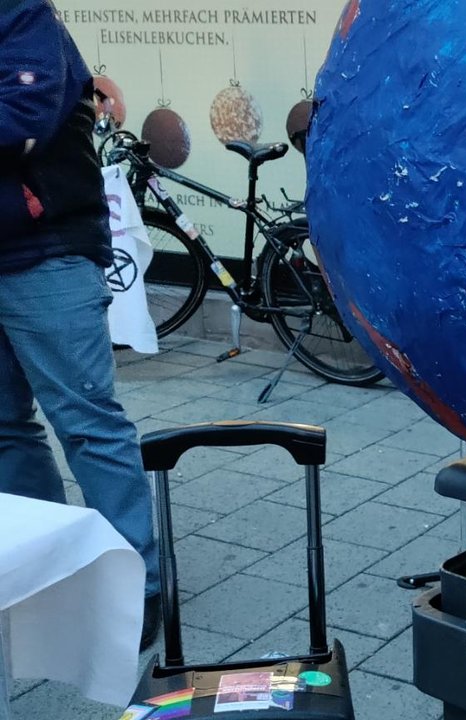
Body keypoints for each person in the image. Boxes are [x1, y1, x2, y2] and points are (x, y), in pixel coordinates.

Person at [1, 0, 161, 648]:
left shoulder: (21, 15)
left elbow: (23, 116)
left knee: (88, 423)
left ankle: (137, 588)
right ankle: (45, 574)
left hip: (46, 254)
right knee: (5, 429)